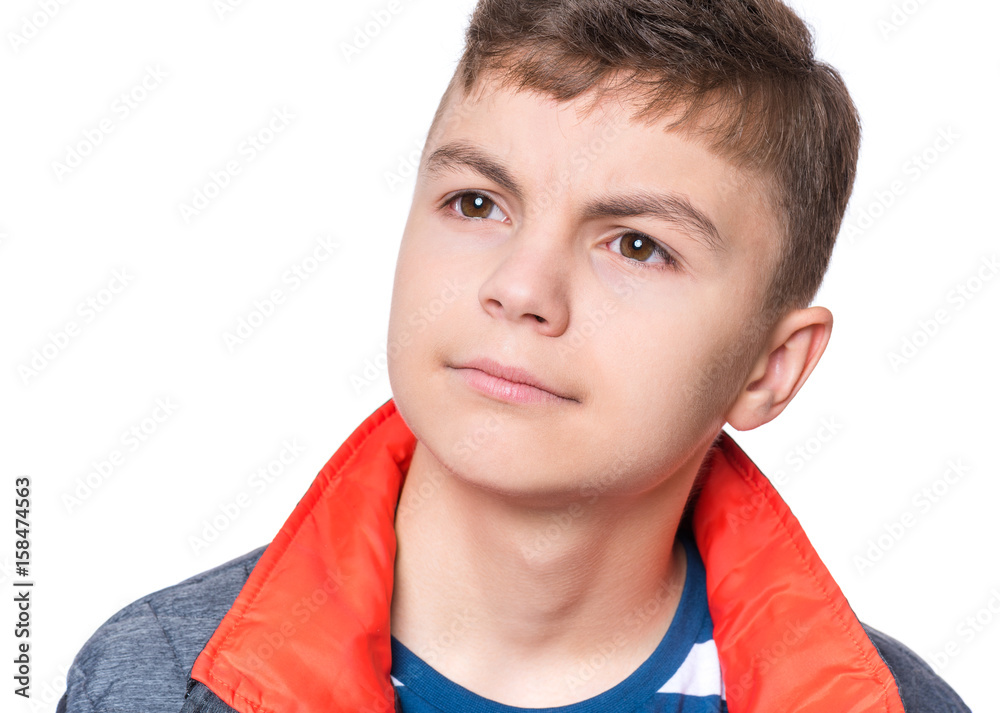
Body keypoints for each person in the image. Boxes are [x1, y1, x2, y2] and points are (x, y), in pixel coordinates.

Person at [57, 1, 972, 711]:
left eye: (637, 245)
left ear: (770, 368)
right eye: (476, 203)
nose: (521, 286)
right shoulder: (154, 680)